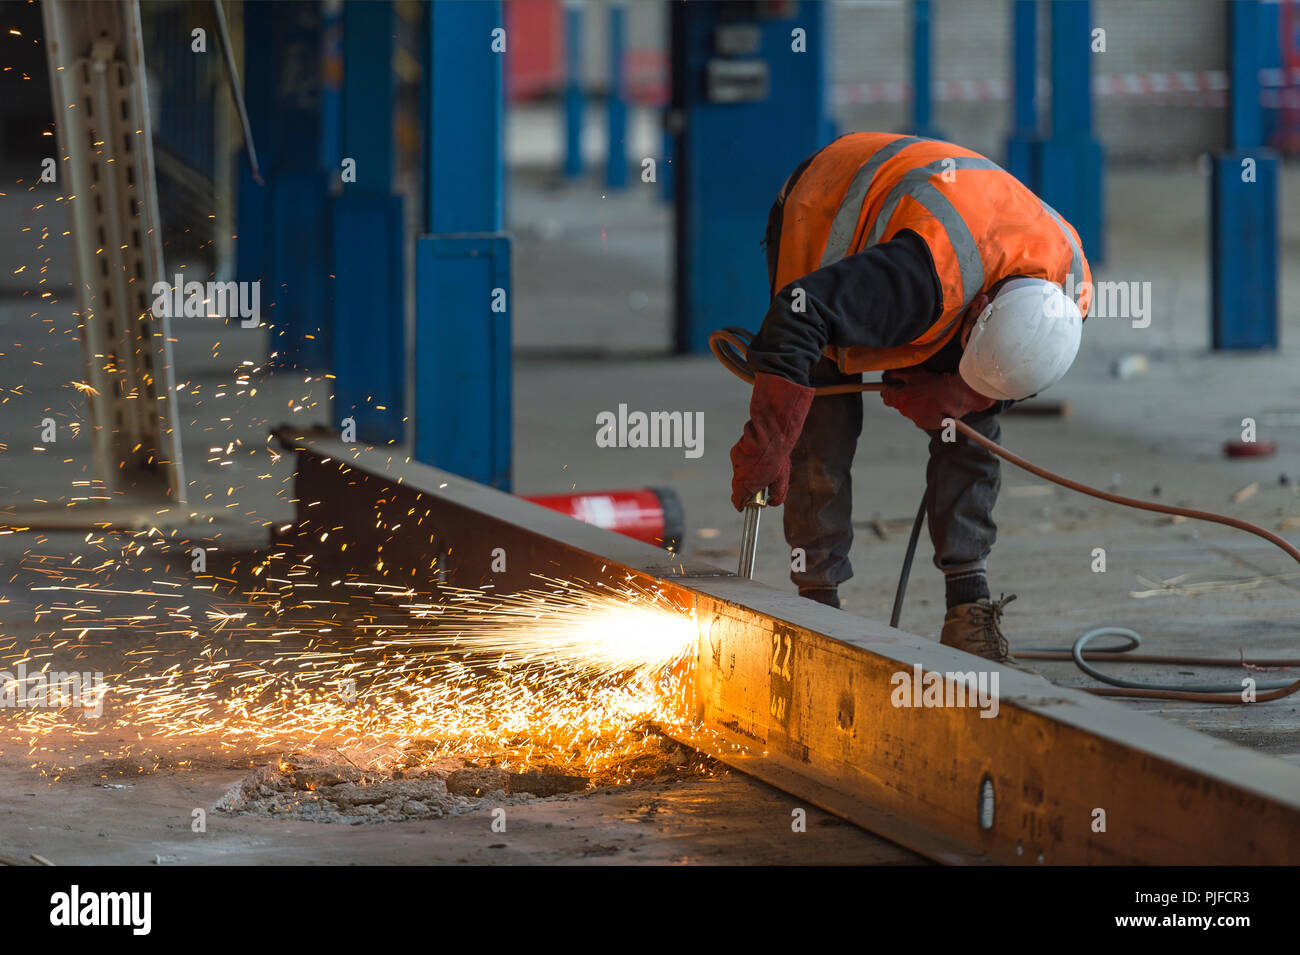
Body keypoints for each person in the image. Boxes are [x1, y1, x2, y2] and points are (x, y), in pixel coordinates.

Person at [730, 132, 1092, 662]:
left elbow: (1006, 374)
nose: (962, 394)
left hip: (952, 239)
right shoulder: (919, 280)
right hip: (828, 205)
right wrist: (771, 435)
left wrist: (962, 397)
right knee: (822, 409)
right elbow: (797, 313)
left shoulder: (1067, 301)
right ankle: (818, 608)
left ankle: (968, 605)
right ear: (976, 310)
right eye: (965, 371)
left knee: (972, 429)